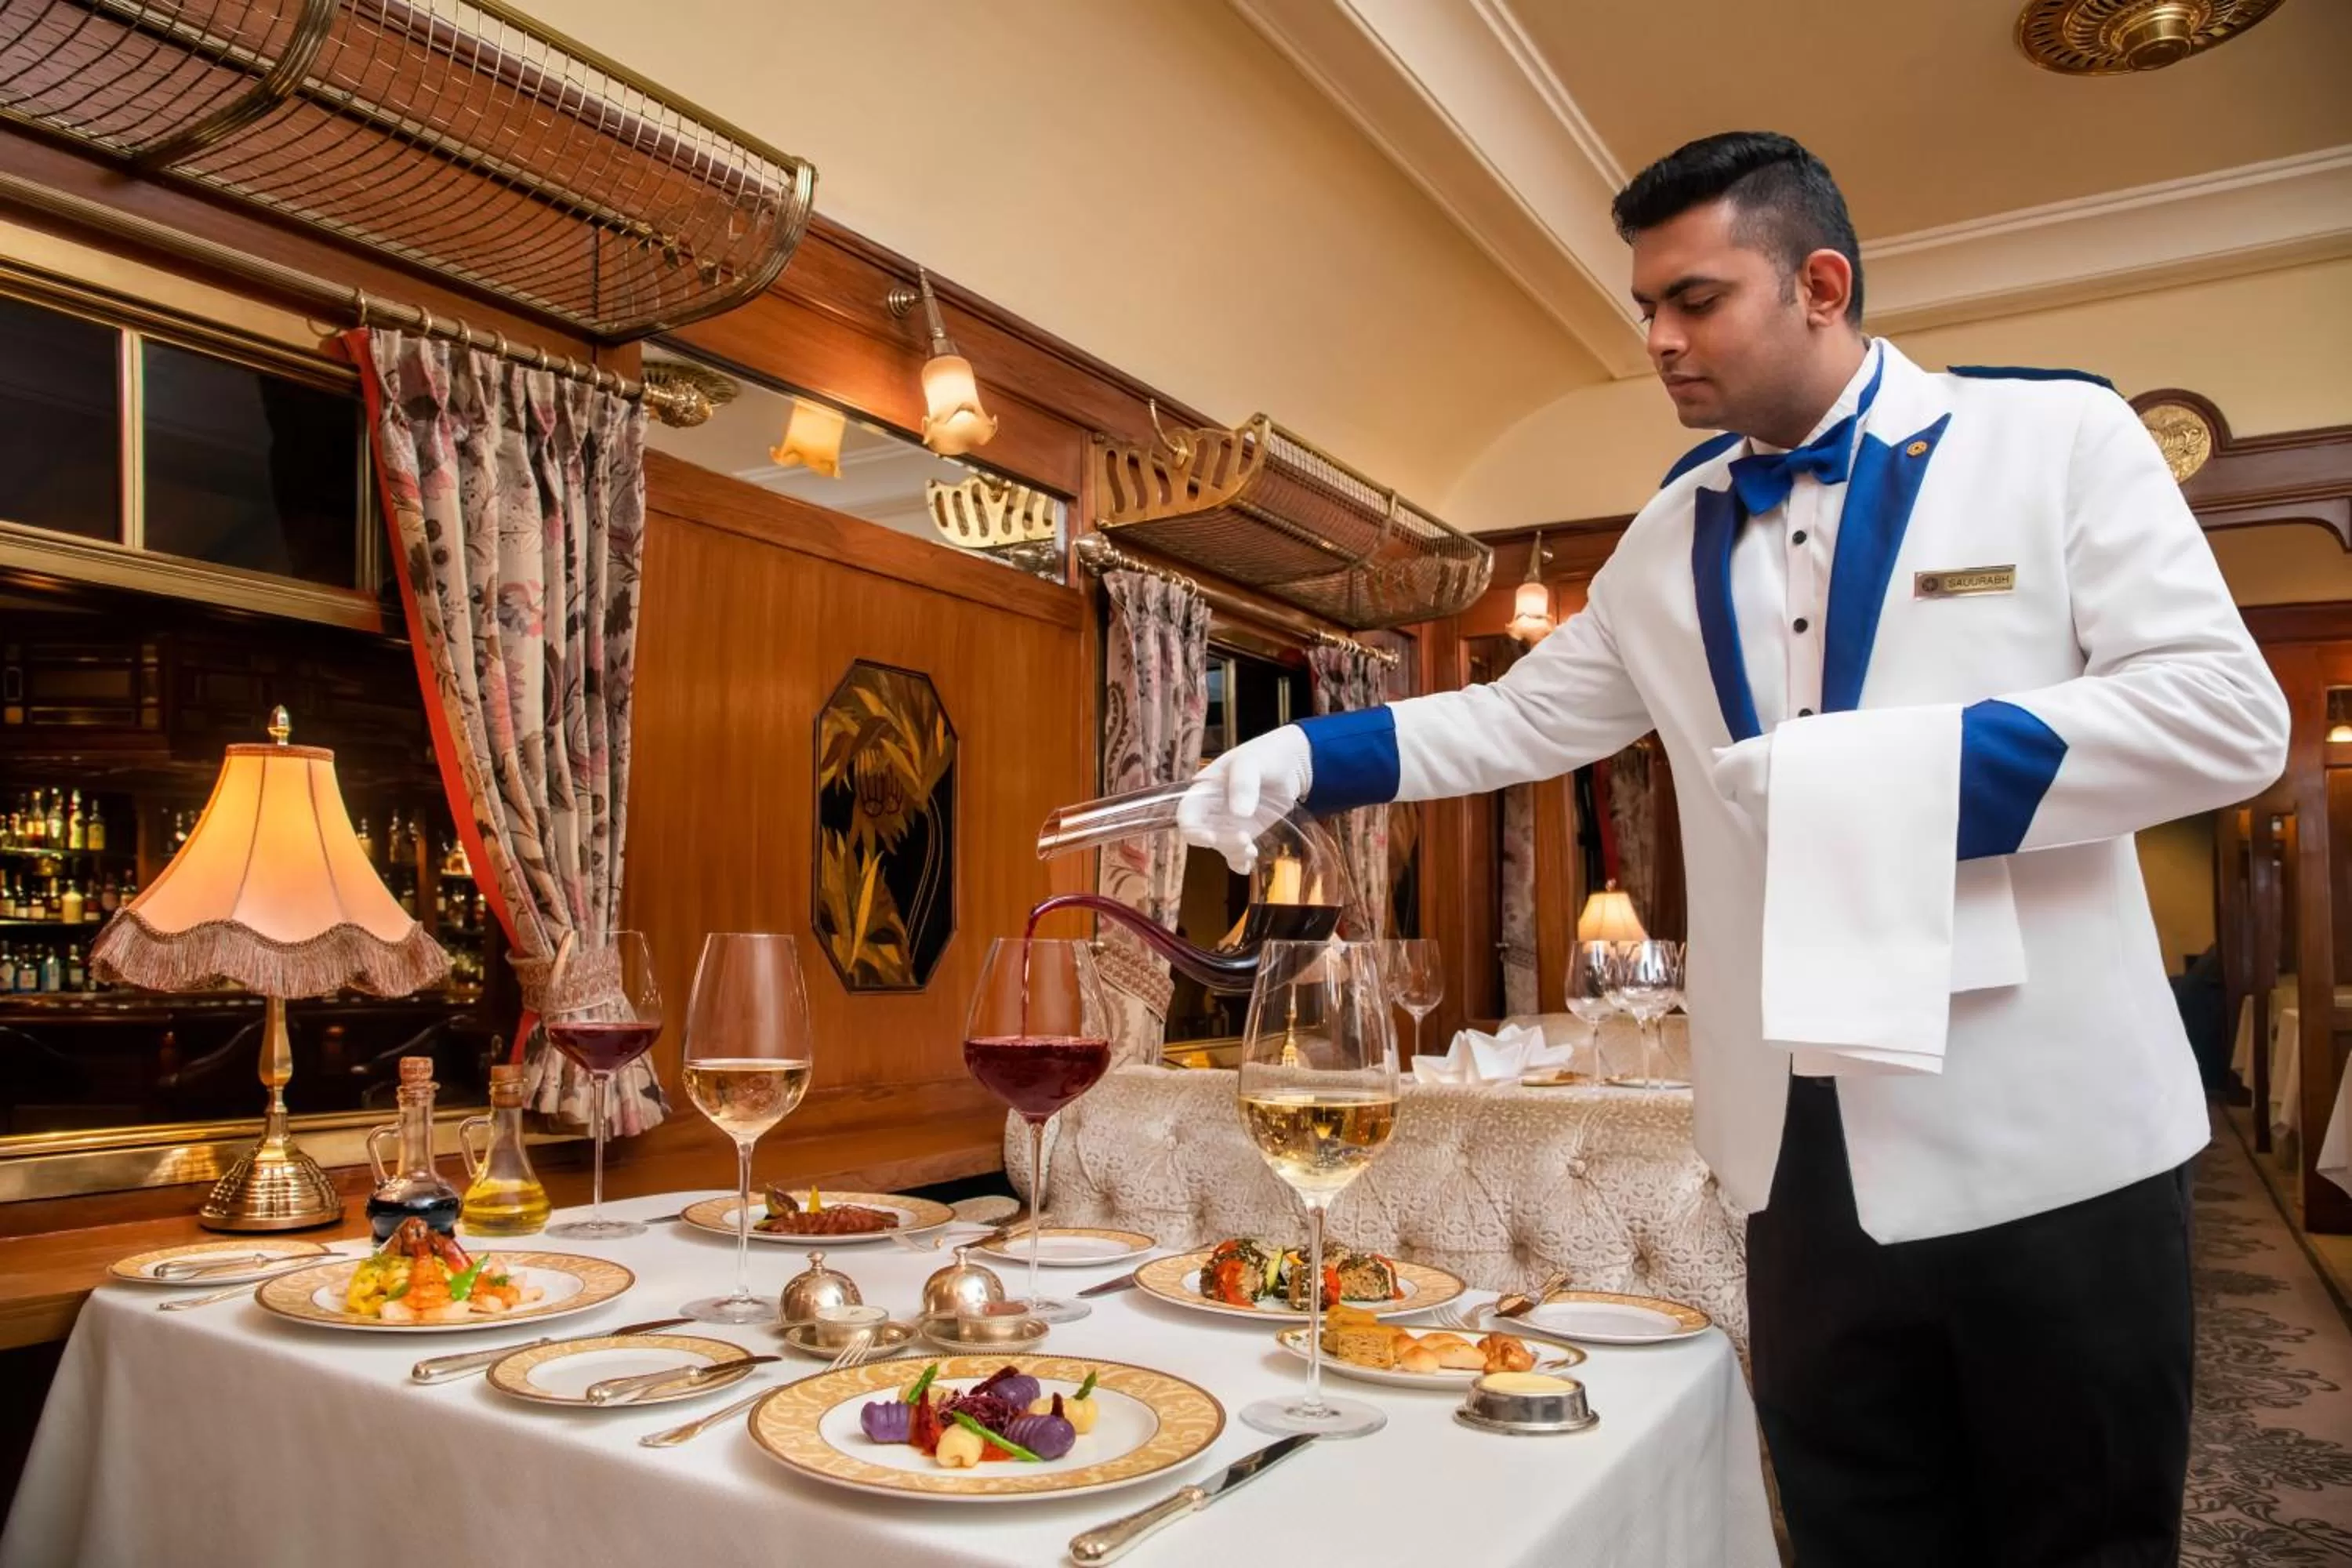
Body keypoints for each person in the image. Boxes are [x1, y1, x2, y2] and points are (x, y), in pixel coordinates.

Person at [1180, 132, 2287, 1566]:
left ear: (1819, 282)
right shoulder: (1663, 537)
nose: (1656, 338)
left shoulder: (2059, 443)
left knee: (2080, 1543)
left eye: (1694, 299)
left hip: (2054, 1132)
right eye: (1645, 306)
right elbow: (1520, 718)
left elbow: (2221, 717)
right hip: (1795, 1151)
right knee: (1851, 1532)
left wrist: (1877, 772)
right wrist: (1301, 756)